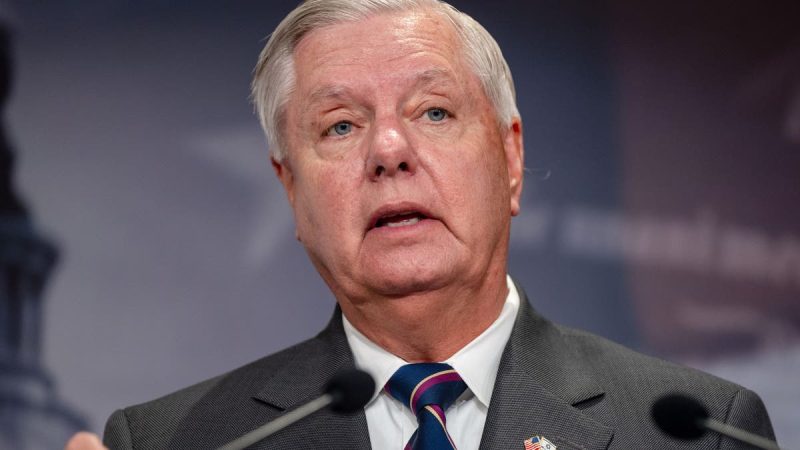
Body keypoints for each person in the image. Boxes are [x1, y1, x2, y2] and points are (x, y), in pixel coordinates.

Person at [66, 0, 776, 449]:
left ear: (510, 159)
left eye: (434, 112)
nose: (388, 150)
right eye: (340, 125)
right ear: (290, 188)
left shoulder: (697, 431)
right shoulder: (174, 442)